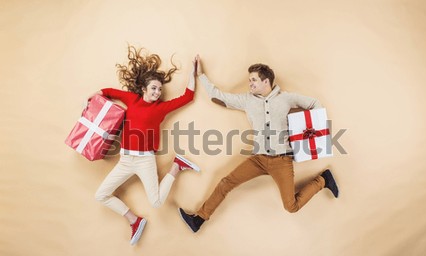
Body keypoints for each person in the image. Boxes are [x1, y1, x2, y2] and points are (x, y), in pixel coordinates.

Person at [178, 56, 339, 233]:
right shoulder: (248, 100)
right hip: (259, 159)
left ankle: (323, 180)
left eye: (253, 80)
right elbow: (218, 97)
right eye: (249, 80)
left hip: (282, 161)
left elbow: (315, 104)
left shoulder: (286, 98)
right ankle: (200, 219)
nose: (250, 83)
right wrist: (201, 75)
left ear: (266, 81)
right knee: (226, 183)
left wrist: (308, 130)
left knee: (290, 207)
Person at [94, 46, 200, 245]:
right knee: (101, 195)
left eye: (159, 89)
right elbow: (107, 92)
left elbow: (188, 96)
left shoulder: (161, 108)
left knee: (157, 202)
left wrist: (192, 72)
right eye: (153, 88)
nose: (157, 92)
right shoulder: (131, 99)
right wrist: (88, 99)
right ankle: (134, 220)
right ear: (143, 89)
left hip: (144, 160)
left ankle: (177, 165)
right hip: (125, 160)